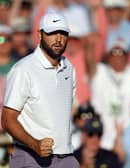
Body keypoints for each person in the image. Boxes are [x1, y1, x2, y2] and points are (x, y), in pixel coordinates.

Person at [1, 12, 79, 168]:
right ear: (40, 35)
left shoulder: (69, 68)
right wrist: (34, 144)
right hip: (31, 158)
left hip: (66, 158)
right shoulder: (23, 69)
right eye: (52, 33)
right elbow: (7, 120)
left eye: (62, 33)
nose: (58, 39)